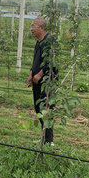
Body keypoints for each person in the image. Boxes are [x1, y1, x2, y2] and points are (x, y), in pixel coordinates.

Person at [27, 17, 57, 145]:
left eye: (33, 26)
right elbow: (36, 60)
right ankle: (44, 137)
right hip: (37, 81)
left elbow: (51, 61)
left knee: (47, 109)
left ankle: (49, 141)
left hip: (46, 82)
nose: (31, 29)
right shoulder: (39, 42)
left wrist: (40, 73)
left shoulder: (49, 41)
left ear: (41, 27)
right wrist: (31, 73)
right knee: (38, 108)